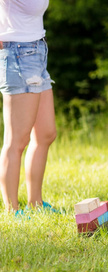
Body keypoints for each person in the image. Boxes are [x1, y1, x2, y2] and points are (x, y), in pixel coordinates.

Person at [0, 0, 57, 215]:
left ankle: (36, 203)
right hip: (17, 54)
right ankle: (12, 210)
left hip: (37, 51)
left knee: (45, 134)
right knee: (16, 141)